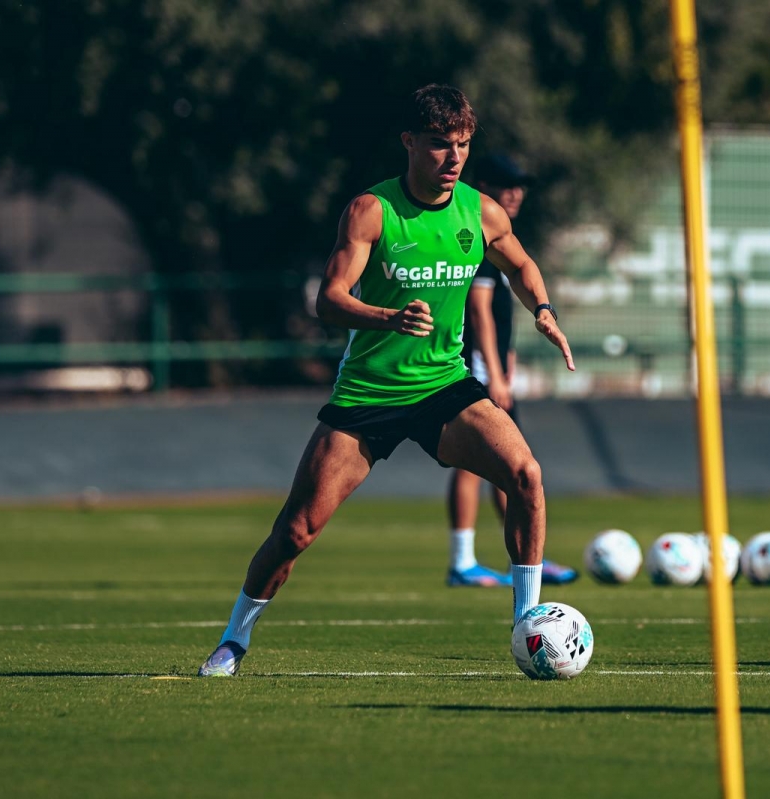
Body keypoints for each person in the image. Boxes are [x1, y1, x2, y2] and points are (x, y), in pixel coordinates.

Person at [200, 84, 575, 677]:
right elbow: (329, 300)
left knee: (526, 474)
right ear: (409, 142)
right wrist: (387, 317)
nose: (454, 157)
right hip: (368, 395)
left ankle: (528, 622)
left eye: (463, 145)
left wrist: (544, 310)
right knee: (296, 532)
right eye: (440, 144)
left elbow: (520, 264)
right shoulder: (371, 211)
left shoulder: (481, 212)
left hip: (444, 387)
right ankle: (233, 639)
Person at [444, 153, 577, 587]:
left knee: (512, 468)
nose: (516, 193)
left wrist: (509, 359)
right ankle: (463, 561)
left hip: (495, 369)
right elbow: (479, 311)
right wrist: (495, 375)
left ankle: (524, 559)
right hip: (479, 372)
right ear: (484, 187)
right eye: (506, 185)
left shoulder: (498, 236)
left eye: (520, 186)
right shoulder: (476, 233)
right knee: (473, 464)